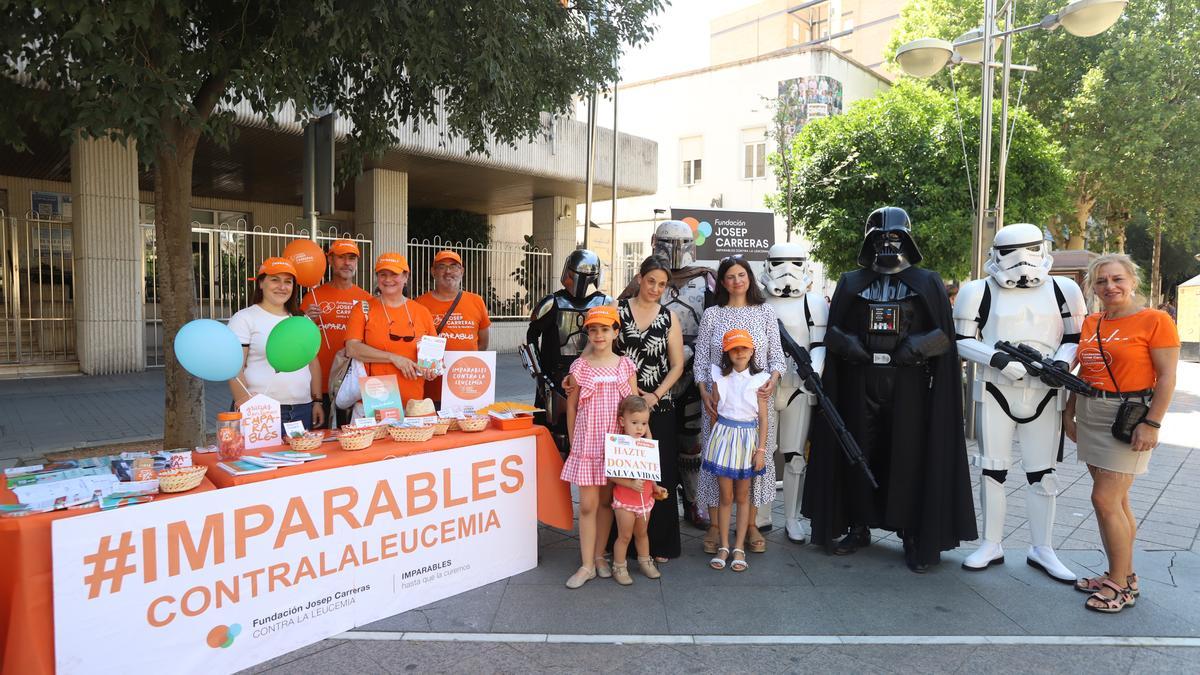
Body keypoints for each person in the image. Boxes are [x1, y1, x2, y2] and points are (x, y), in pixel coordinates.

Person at [802, 206, 976, 573]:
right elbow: (833, 332)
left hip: (908, 383)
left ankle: (911, 533)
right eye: (880, 238)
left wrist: (917, 348)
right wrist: (848, 345)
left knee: (907, 456)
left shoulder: (927, 282)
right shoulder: (850, 282)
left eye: (894, 237)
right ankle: (858, 525)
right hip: (858, 380)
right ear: (868, 241)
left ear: (908, 239)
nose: (887, 243)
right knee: (857, 452)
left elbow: (945, 335)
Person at [954, 223, 1087, 582]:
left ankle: (1043, 547)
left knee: (1042, 473)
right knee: (992, 469)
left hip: (1045, 392)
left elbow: (1076, 336)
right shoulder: (977, 291)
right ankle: (991, 543)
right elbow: (962, 339)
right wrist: (997, 360)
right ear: (995, 254)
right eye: (1011, 252)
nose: (1022, 261)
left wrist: (1060, 363)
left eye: (1029, 249)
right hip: (997, 389)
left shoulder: (1064, 289)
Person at [1065, 253, 1179, 613]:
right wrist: (1069, 413)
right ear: (1093, 287)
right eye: (1101, 281)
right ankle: (1124, 575)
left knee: (1104, 500)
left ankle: (1119, 585)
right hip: (1091, 411)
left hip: (1129, 415)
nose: (1109, 287)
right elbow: (1083, 370)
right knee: (1117, 502)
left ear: (1132, 281)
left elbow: (1167, 377)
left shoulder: (1155, 320)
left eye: (1117, 279)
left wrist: (1153, 423)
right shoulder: (1092, 322)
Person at [694, 257, 785, 556]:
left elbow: (777, 357)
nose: (737, 281)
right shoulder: (712, 315)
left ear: (750, 277)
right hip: (719, 406)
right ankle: (715, 526)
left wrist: (773, 379)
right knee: (716, 461)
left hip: (755, 404)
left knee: (755, 462)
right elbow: (701, 362)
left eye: (741, 274)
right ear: (722, 282)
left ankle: (751, 525)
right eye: (730, 276)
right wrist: (704, 391)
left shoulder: (765, 312)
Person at [639, 220, 716, 530]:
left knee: (691, 439)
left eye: (680, 244)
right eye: (668, 244)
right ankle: (651, 498)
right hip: (651, 372)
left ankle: (694, 501)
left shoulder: (705, 279)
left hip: (693, 368)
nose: (674, 252)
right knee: (652, 437)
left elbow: (715, 321)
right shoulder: (645, 279)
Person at [614, 256, 686, 561]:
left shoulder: (668, 317)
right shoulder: (618, 311)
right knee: (624, 471)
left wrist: (656, 395)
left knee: (660, 473)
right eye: (651, 280)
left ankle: (659, 543)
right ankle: (621, 544)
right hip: (624, 405)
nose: (656, 288)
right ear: (639, 278)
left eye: (662, 284)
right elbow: (601, 348)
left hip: (660, 406)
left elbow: (678, 365)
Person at [561, 305, 638, 589]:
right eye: (593, 330)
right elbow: (571, 407)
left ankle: (599, 556)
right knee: (589, 505)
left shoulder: (625, 365)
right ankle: (586, 565)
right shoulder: (580, 366)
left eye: (605, 329)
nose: (599, 335)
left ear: (616, 332)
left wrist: (638, 439)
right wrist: (573, 441)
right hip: (588, 442)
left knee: (607, 502)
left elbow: (633, 407)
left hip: (615, 442)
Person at [762, 242, 828, 544]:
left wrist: (813, 370)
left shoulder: (814, 303)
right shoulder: (758, 301)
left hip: (799, 386)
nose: (788, 271)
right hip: (763, 386)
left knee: (795, 456)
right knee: (761, 453)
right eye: (780, 263)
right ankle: (760, 515)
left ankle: (792, 517)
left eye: (795, 262)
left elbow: (819, 344)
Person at [524, 249, 613, 454]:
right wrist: (541, 376)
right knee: (553, 442)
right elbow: (531, 338)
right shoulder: (552, 301)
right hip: (553, 379)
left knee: (591, 438)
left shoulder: (605, 303)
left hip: (592, 379)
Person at [227, 257, 324, 433]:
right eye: (275, 280)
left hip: (302, 408)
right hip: (261, 409)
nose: (282, 287)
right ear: (261, 283)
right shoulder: (244, 318)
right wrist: (247, 406)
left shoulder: (301, 320)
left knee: (300, 459)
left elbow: (313, 363)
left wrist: (317, 401)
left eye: (288, 282)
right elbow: (234, 368)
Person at [704, 329, 770, 572]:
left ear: (752, 351)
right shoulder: (719, 379)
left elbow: (763, 418)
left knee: (743, 496)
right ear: (727, 352)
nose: (740, 353)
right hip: (723, 437)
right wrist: (714, 443)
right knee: (726, 496)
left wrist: (761, 450)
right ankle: (723, 545)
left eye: (744, 348)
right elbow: (714, 414)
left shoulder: (759, 380)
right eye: (734, 349)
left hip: (747, 440)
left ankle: (739, 546)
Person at [344, 252, 438, 405]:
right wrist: (393, 358)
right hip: (373, 402)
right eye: (383, 274)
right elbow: (352, 348)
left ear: (405, 277)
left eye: (394, 274)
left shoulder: (421, 312)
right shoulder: (363, 309)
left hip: (412, 403)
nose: (388, 280)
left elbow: (433, 357)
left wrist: (431, 369)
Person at [299, 239, 372, 427]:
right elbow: (299, 340)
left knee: (353, 440)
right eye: (341, 257)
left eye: (351, 258)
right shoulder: (313, 297)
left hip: (353, 385)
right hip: (319, 384)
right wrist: (306, 320)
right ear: (330, 261)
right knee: (320, 441)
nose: (347, 263)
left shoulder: (367, 299)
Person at [415, 249, 491, 404]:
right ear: (433, 272)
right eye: (441, 266)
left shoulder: (476, 301)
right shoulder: (419, 304)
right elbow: (414, 344)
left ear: (461, 271)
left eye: (454, 266)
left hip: (466, 388)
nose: (448, 271)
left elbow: (482, 344)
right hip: (432, 390)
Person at [609, 395, 670, 585]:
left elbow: (649, 471)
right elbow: (611, 474)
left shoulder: (646, 445)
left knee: (642, 534)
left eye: (644, 423)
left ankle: (645, 561)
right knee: (624, 535)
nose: (639, 428)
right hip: (624, 500)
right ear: (622, 421)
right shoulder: (618, 444)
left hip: (644, 500)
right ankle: (619, 566)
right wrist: (629, 484)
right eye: (634, 422)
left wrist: (655, 486)